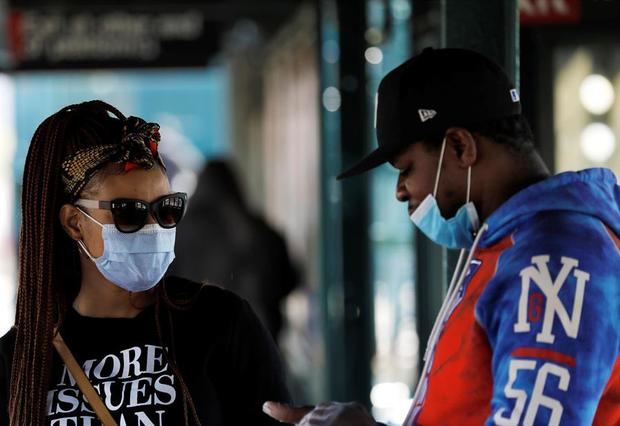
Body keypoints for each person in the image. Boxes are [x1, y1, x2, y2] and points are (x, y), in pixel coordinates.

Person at [263, 47, 620, 425]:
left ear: (460, 146)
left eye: (406, 168)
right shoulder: (515, 247)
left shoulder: (554, 260)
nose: (400, 191)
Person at [0, 100, 290, 426]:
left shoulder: (220, 323)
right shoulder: (19, 362)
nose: (154, 227)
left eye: (167, 208)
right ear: (74, 223)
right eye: (128, 212)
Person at [171, 159, 298, 341]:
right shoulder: (259, 230)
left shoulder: (179, 235)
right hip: (255, 338)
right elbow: (288, 280)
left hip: (196, 338)